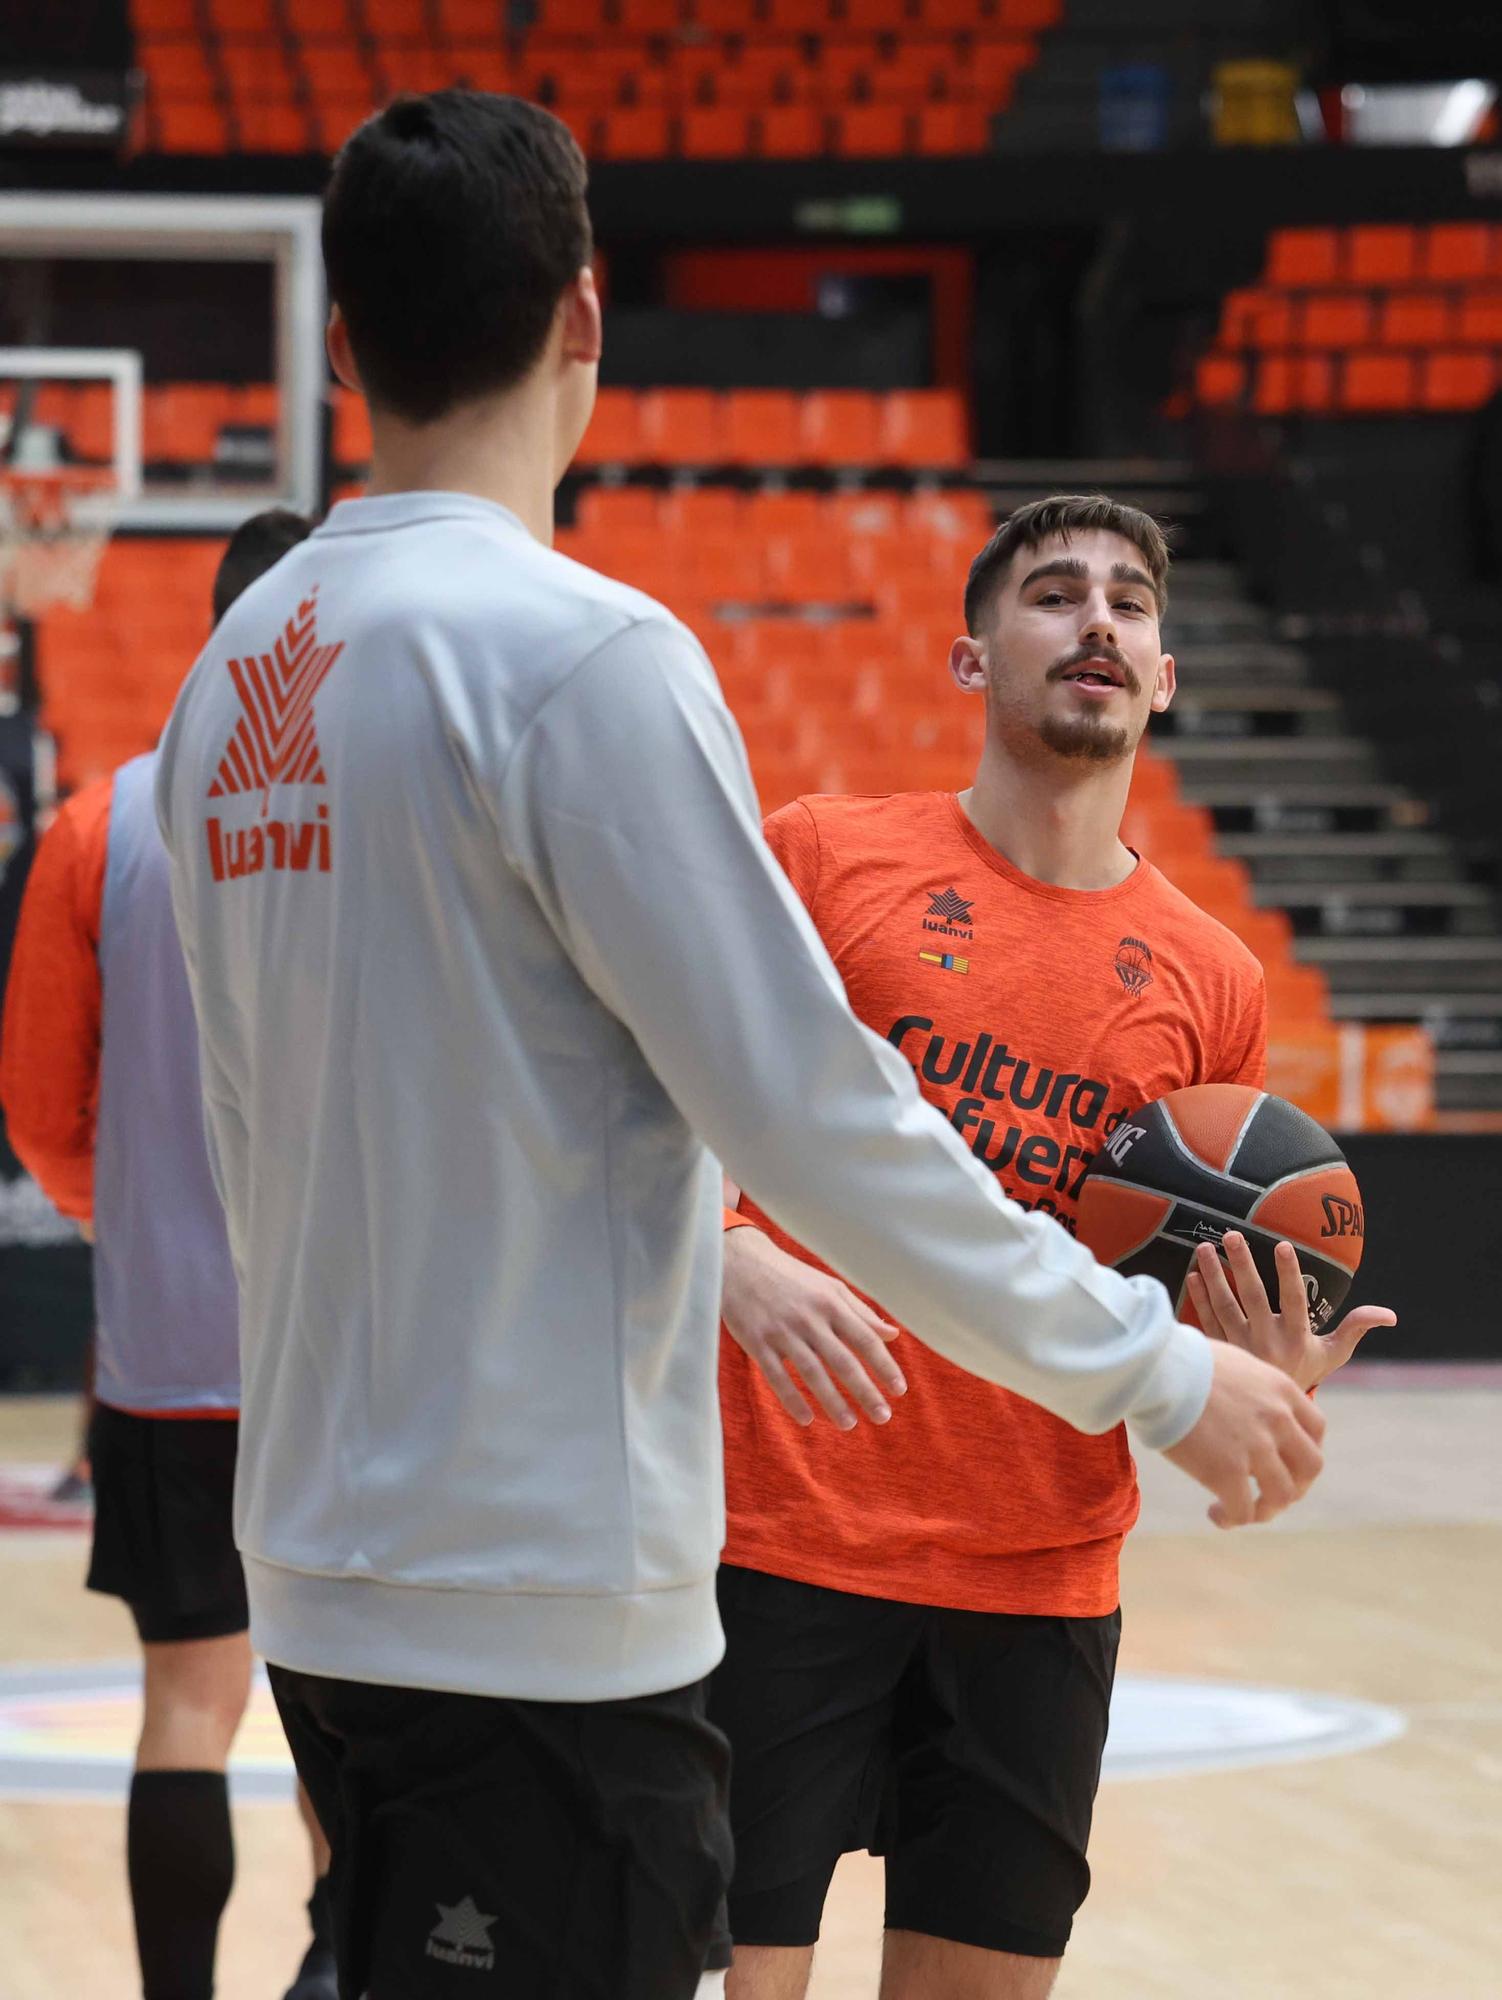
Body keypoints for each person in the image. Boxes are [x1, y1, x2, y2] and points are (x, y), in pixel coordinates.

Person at [153, 92, 1324, 2000]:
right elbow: (820, 1121)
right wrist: (1160, 1378)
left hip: (317, 1565)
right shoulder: (579, 655)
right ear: (587, 320)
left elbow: (252, 1118)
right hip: (534, 1590)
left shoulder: (242, 667)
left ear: (342, 340)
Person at [711, 494, 1397, 2000]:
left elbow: (1174, 1294)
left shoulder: (1210, 977)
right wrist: (722, 1252)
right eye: (1052, 593)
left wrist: (1253, 1375)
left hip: (1037, 1582)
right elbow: (659, 1099)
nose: (1097, 618)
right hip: (776, 1542)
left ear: (1159, 679)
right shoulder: (825, 859)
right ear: (972, 658)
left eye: (1129, 604)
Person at [0, 507, 337, 2000]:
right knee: (357, 1716)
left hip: (176, 1355)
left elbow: (38, 1104)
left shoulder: (103, 818)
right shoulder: (405, 818)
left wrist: (130, 1218)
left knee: (186, 1710)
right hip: (364, 1360)